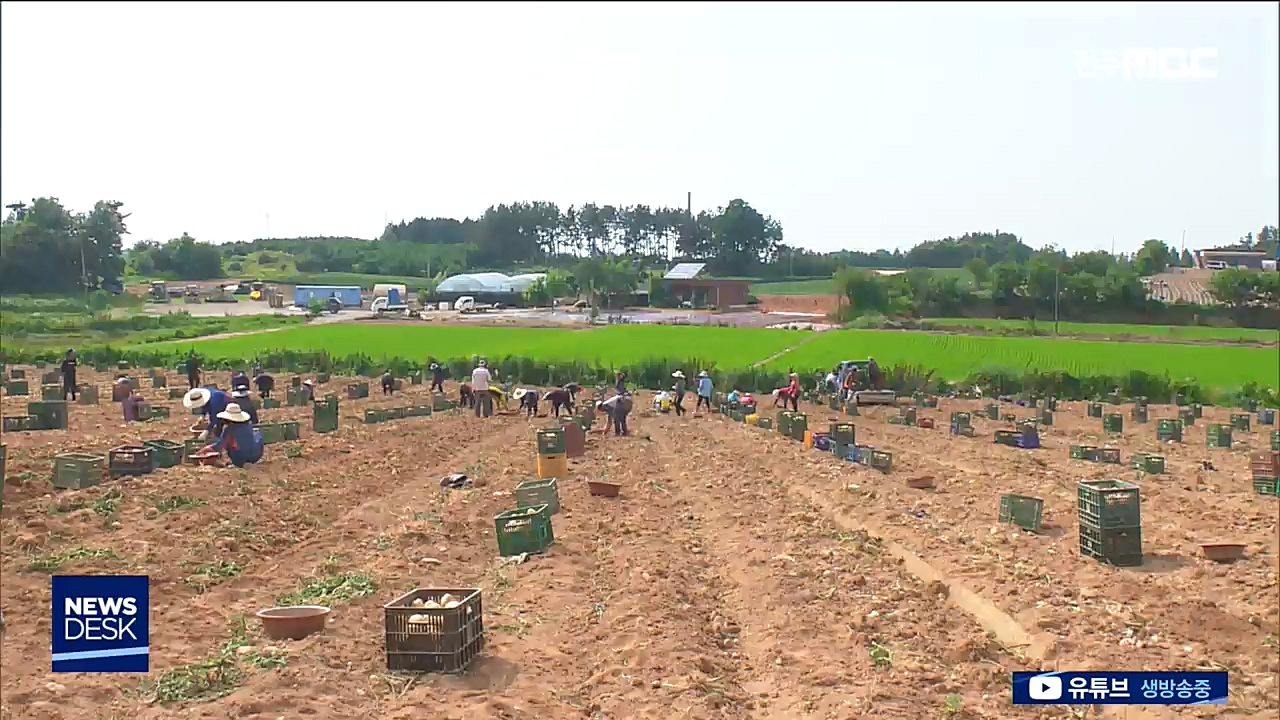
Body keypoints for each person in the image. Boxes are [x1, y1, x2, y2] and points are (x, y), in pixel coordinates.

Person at [201, 403, 264, 468]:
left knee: (229, 443)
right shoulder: (248, 425)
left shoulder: (229, 430)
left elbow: (220, 445)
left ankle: (240, 463)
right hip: (256, 455)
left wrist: (208, 448)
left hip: (241, 458)